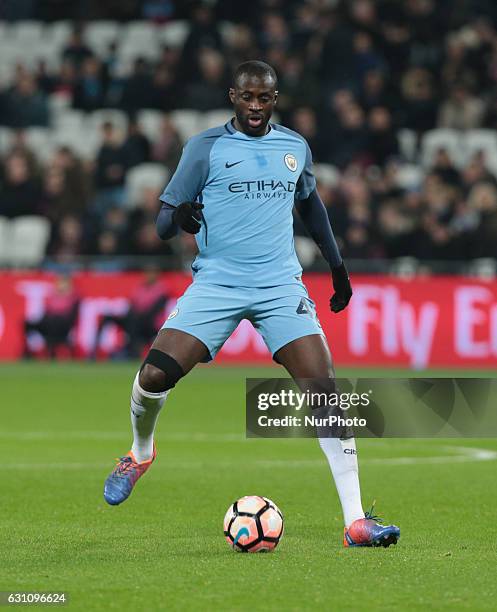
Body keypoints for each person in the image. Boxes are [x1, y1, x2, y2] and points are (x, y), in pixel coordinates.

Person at [103, 61, 400, 548]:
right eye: (247, 98)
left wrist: (338, 266)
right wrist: (179, 215)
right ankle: (139, 453)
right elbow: (161, 223)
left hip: (279, 285)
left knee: (325, 393)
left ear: (275, 98)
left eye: (265, 99)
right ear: (232, 97)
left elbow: (311, 207)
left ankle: (355, 522)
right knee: (154, 375)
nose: (256, 107)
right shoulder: (204, 148)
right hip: (217, 283)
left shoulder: (294, 147)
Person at [92, 267, 169, 359]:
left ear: (157, 275)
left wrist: (134, 316)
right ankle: (94, 351)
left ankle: (131, 352)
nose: (149, 276)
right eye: (147, 273)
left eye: (152, 273)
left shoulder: (161, 291)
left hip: (151, 326)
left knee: (134, 322)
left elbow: (153, 312)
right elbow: (131, 306)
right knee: (106, 318)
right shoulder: (139, 288)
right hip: (135, 320)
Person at [23, 275, 79, 359]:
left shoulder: (73, 298)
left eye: (63, 284)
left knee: (54, 321)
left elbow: (71, 317)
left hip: (62, 326)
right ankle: (30, 348)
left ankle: (50, 349)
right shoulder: (52, 297)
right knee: (28, 323)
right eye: (59, 283)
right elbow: (46, 312)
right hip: (49, 323)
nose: (61, 286)